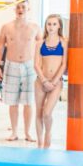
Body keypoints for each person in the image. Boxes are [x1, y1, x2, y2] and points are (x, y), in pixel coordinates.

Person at [0, 1, 41, 142]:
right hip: (11, 65)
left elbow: (41, 47)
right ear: (15, 9)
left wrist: (41, 67)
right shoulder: (6, 27)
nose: (20, 9)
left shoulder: (35, 27)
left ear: (28, 9)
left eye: (23, 7)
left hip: (30, 66)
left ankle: (28, 132)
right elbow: (0, 46)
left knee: (29, 102)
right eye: (18, 7)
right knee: (12, 101)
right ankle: (14, 132)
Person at [34, 14, 68, 149]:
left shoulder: (63, 42)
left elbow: (64, 65)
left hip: (56, 82)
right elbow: (36, 64)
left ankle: (48, 135)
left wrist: (53, 82)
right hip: (40, 81)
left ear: (59, 26)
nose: (51, 27)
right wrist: (44, 81)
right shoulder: (40, 43)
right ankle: (39, 143)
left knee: (47, 113)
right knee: (38, 113)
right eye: (49, 24)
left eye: (54, 24)